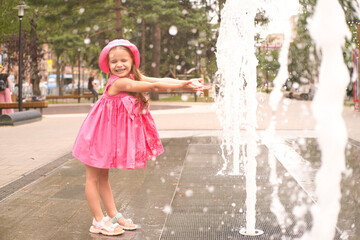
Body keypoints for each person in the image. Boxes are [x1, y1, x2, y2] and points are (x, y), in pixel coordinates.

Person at [72, 39, 206, 236]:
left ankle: (113, 215)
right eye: (114, 62)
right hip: (95, 135)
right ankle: (98, 220)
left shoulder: (134, 76)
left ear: (132, 61)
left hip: (104, 135)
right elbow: (154, 87)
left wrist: (184, 83)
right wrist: (183, 87)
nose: (119, 65)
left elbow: (159, 80)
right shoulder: (120, 82)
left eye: (123, 60)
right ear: (108, 65)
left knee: (103, 177)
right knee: (92, 178)